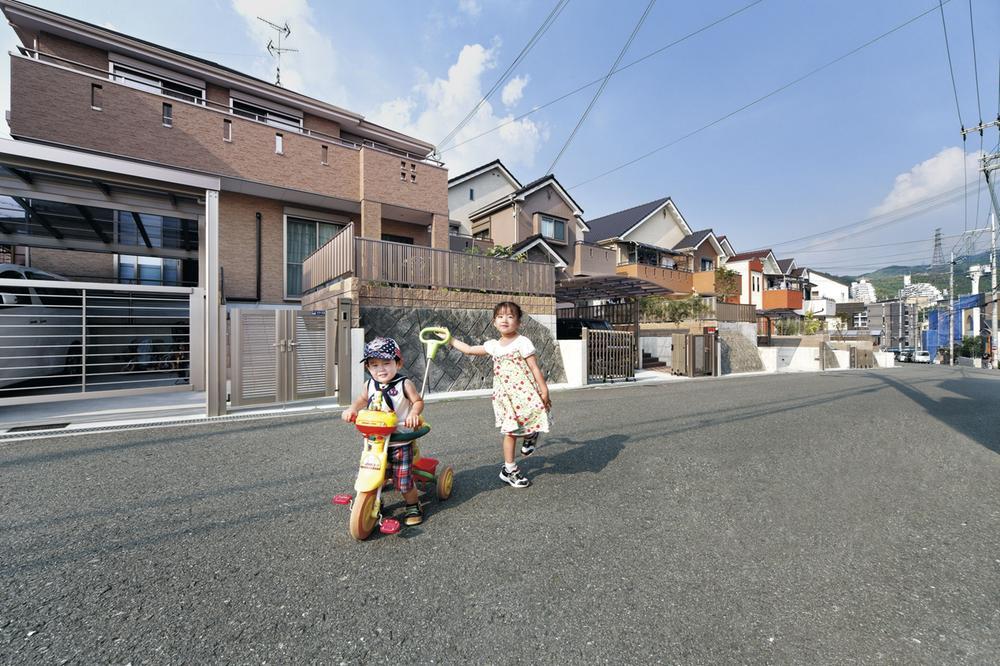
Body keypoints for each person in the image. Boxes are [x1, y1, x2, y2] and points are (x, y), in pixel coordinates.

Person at [449, 301, 551, 488]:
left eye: (510, 316)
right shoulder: (493, 346)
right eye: (500, 316)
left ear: (518, 322)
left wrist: (544, 390)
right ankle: (509, 469)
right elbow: (469, 349)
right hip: (506, 397)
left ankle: (530, 434)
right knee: (510, 431)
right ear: (494, 322)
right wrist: (450, 339)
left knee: (531, 416)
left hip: (525, 393)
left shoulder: (522, 342)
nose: (505, 320)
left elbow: (534, 368)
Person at [341, 337, 426, 526]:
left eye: (386, 363)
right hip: (376, 441)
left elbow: (418, 401)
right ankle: (372, 499)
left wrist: (414, 413)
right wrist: (352, 409)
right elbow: (362, 400)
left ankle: (413, 504)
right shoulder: (369, 384)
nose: (381, 369)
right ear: (368, 367)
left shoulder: (404, 384)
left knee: (403, 481)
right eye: (374, 364)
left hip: (399, 441)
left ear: (398, 363)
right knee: (372, 472)